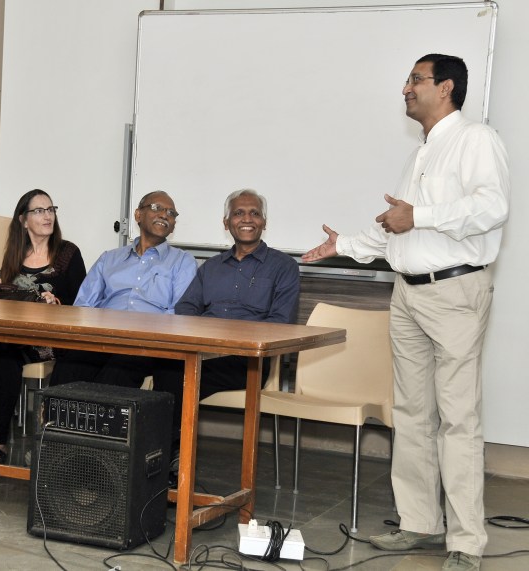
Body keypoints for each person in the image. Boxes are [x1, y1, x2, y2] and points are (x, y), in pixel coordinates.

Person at [302, 54, 509, 571]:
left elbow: (492, 207)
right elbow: (399, 229)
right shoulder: (420, 153)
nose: (405, 88)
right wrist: (344, 245)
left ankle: (466, 543)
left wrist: (420, 215)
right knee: (412, 414)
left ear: (446, 87)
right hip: (407, 294)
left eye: (416, 79)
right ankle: (420, 523)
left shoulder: (476, 139)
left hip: (455, 292)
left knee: (457, 419)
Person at [151, 189, 300, 470]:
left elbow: (280, 323)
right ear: (226, 222)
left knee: (176, 378)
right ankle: (160, 458)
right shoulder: (211, 267)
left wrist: (231, 339)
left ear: (264, 222)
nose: (247, 219)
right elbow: (186, 307)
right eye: (238, 213)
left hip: (247, 360)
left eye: (254, 213)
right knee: (167, 369)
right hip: (205, 353)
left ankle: (169, 460)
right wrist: (207, 338)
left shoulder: (284, 267)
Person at [0, 189, 86, 462]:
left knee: (2, 355)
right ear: (23, 220)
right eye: (39, 211)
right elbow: (8, 300)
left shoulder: (68, 253)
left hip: (48, 338)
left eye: (50, 209)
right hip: (13, 333)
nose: (47, 216)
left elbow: (82, 304)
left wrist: (56, 302)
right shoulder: (15, 254)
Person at [50, 190, 197, 388]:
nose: (164, 214)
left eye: (171, 213)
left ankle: (97, 410)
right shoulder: (109, 258)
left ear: (173, 225)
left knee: (116, 373)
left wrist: (144, 335)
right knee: (69, 366)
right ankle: (58, 411)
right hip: (103, 339)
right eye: (157, 208)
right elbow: (83, 306)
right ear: (138, 215)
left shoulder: (182, 261)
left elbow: (180, 314)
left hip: (147, 345)